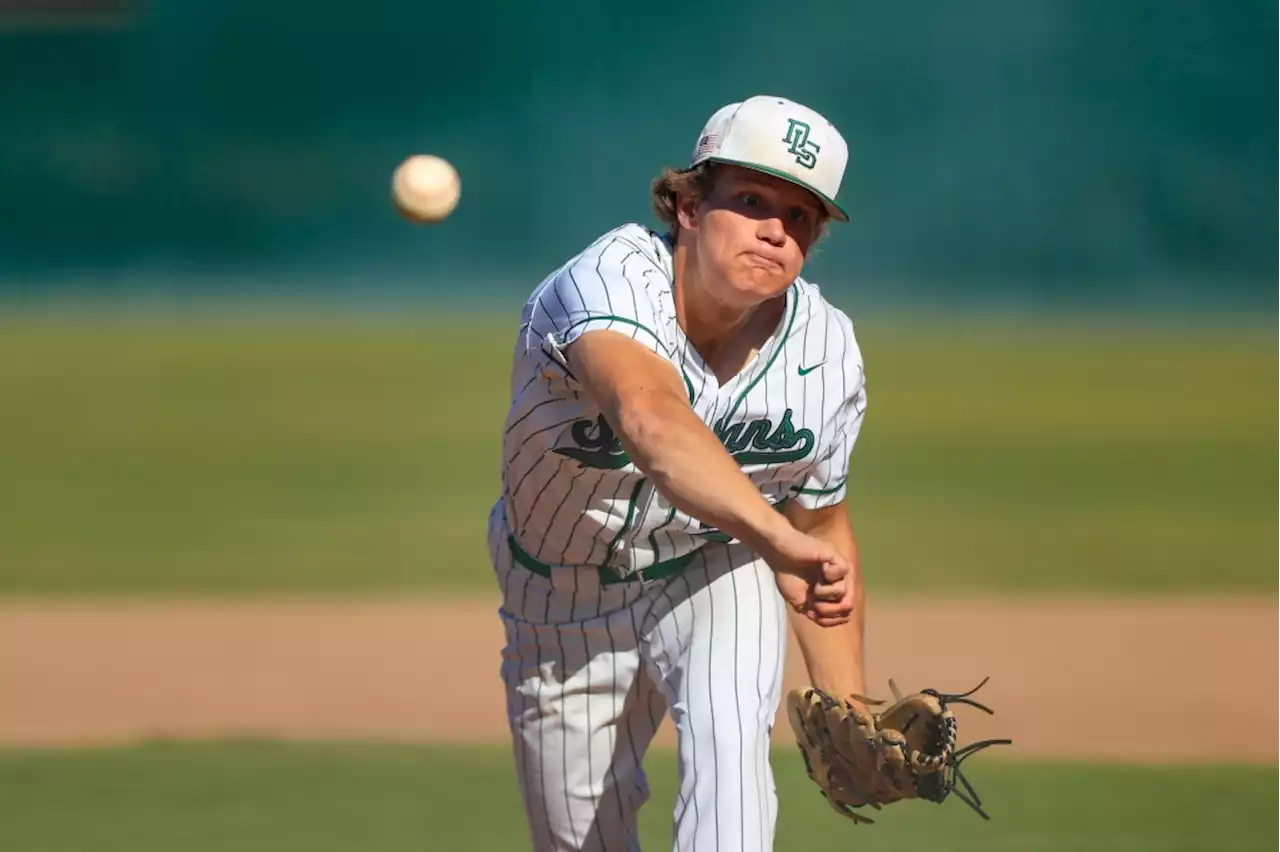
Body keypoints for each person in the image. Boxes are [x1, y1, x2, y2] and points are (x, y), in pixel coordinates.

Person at [488, 94, 869, 851]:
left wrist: (849, 710)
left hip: (711, 567)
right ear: (689, 204)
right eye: (752, 200)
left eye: (800, 217)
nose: (774, 229)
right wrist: (772, 535)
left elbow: (820, 532)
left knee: (732, 759)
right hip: (559, 595)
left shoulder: (827, 353)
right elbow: (651, 420)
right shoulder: (606, 282)